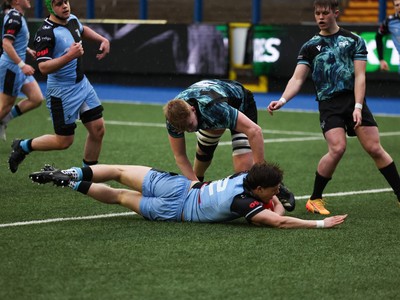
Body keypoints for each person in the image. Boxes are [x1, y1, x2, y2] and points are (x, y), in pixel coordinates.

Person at [267, 0, 400, 215]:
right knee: (337, 148)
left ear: (335, 13)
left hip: (353, 100)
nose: (320, 17)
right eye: (317, 13)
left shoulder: (354, 40)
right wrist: (282, 100)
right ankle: (315, 199)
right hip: (330, 104)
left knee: (375, 148)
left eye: (325, 13)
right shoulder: (309, 47)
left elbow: (360, 76)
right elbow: (297, 79)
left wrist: (358, 106)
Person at [28, 161, 348, 229]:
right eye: (273, 188)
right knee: (117, 197)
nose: (277, 192)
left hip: (179, 187)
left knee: (117, 170)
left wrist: (273, 196)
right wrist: (319, 225)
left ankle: (69, 173)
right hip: (175, 211)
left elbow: (269, 200)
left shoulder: (243, 178)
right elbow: (277, 221)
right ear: (260, 190)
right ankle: (68, 183)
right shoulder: (245, 203)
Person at [8, 0, 110, 173]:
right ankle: (23, 146)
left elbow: (82, 30)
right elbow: (43, 68)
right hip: (62, 92)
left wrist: (102, 39)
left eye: (66, 1)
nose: (65, 6)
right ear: (50, 7)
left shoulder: (71, 19)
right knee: (64, 141)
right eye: (58, 3)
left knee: (98, 129)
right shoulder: (45, 33)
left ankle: (88, 175)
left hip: (82, 85)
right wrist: (70, 55)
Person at [163, 78, 296, 211]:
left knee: (244, 170)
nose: (190, 130)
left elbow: (255, 131)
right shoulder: (174, 120)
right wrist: (196, 185)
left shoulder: (214, 109)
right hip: (211, 107)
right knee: (204, 152)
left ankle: (277, 187)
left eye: (190, 125)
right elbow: (180, 156)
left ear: (192, 109)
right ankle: (199, 182)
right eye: (184, 129)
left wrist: (261, 175)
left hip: (240, 103)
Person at [0, 0, 44, 141]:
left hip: (17, 67)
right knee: (4, 107)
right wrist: (22, 65)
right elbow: (6, 43)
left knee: (36, 98)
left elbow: (12, 39)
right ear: (17, 1)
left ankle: (4, 121)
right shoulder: (15, 18)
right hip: (12, 68)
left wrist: (27, 49)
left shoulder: (16, 16)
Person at [375, 0, 400, 73]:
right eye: (397, 5)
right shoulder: (389, 22)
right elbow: (378, 37)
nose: (399, 7)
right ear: (394, 7)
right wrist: (381, 59)